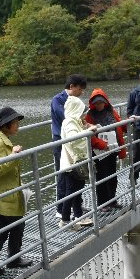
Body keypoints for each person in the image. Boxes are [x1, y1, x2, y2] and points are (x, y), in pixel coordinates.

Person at [0, 107, 32, 276]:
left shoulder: (2, 139)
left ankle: (8, 259)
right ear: (5, 125)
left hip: (3, 192)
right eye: (15, 123)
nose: (17, 125)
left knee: (14, 223)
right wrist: (13, 156)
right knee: (8, 225)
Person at [51, 75, 87, 217]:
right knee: (63, 174)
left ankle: (75, 206)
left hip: (72, 142)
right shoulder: (58, 100)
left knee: (76, 175)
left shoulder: (75, 100)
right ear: (71, 86)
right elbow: (67, 117)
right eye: (80, 89)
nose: (81, 92)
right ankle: (61, 209)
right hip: (61, 142)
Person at [59, 96, 96, 231]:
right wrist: (87, 131)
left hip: (75, 162)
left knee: (77, 191)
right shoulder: (69, 123)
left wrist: (86, 127)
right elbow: (73, 139)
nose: (84, 114)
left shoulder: (74, 121)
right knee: (71, 192)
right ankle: (65, 220)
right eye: (82, 111)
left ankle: (78, 217)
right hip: (71, 164)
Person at [85, 89, 127, 210]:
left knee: (112, 175)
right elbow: (89, 136)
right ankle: (102, 204)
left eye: (101, 103)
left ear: (105, 102)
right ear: (93, 104)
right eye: (96, 103)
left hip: (112, 148)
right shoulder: (90, 116)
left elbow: (120, 125)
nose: (99, 105)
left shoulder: (111, 112)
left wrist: (130, 121)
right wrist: (101, 144)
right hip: (99, 151)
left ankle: (112, 200)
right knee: (101, 177)